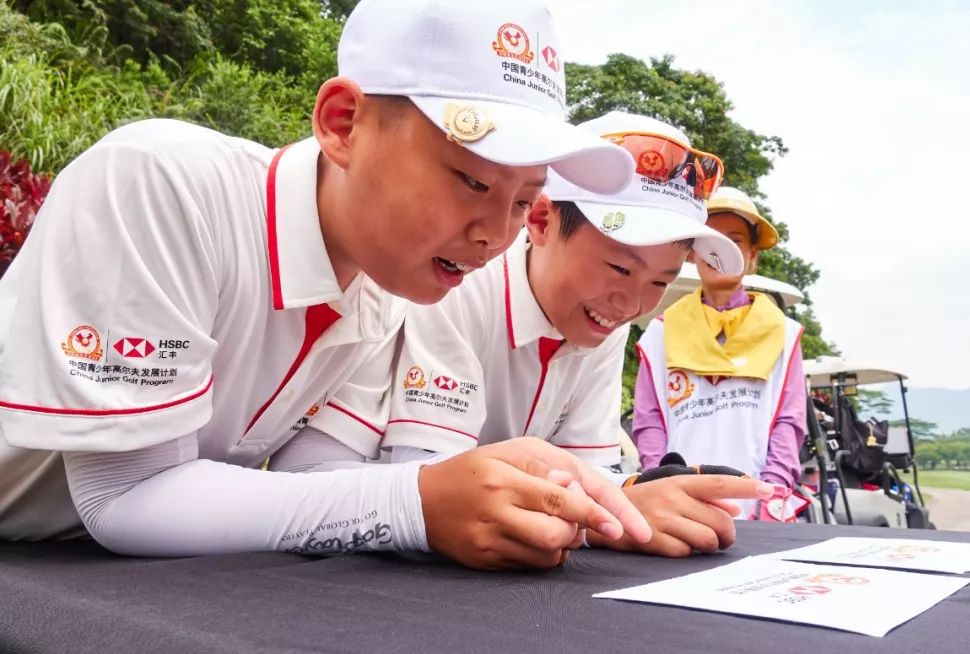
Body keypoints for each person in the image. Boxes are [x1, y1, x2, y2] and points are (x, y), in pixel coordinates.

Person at [0, 0, 655, 570]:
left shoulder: (386, 285)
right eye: (473, 182)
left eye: (522, 203)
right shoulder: (161, 186)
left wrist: (545, 500)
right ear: (343, 123)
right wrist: (416, 501)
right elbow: (124, 496)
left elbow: (312, 476)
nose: (494, 233)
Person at [378, 112, 775, 557]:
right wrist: (613, 514)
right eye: (620, 268)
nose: (630, 305)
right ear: (543, 219)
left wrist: (635, 493)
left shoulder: (604, 322)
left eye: (659, 283)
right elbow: (432, 483)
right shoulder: (462, 288)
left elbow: (592, 468)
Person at [632, 187, 809, 522]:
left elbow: (789, 421)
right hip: (681, 503)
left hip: (758, 507)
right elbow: (649, 420)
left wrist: (770, 494)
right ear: (692, 253)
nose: (720, 253)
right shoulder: (661, 331)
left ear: (753, 255)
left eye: (735, 241)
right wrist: (661, 484)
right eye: (710, 241)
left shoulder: (783, 333)